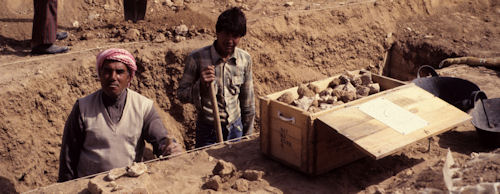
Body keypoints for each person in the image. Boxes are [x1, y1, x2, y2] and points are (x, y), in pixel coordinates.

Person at [58, 48, 182, 182]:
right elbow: (68, 156)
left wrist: (170, 148)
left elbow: (161, 140)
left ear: (129, 77)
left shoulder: (143, 106)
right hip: (89, 187)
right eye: (107, 71)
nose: (113, 77)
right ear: (99, 74)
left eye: (120, 72)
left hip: (128, 185)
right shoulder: (82, 107)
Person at [177, 7, 255, 148]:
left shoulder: (245, 59)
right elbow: (181, 95)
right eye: (226, 34)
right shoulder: (197, 58)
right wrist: (200, 86)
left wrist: (247, 138)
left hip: (236, 130)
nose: (230, 40)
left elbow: (248, 104)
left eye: (235, 36)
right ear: (217, 32)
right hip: (208, 131)